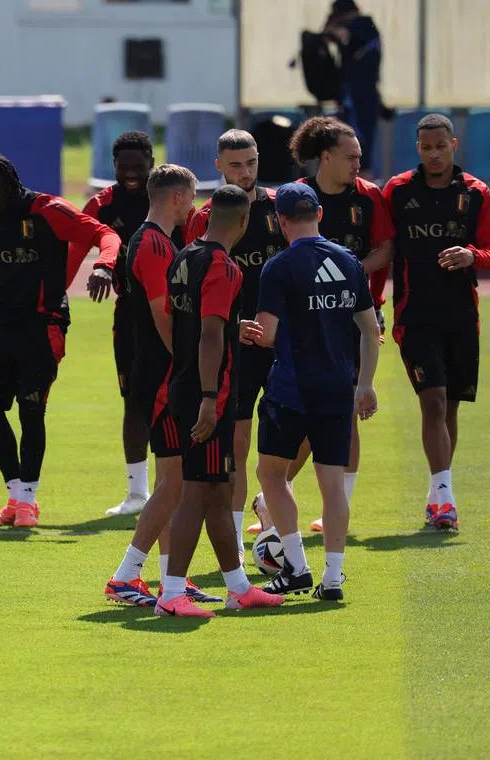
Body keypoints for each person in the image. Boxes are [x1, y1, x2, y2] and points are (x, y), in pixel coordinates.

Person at [250, 116, 392, 534]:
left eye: (360, 158)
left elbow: (386, 248)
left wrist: (345, 272)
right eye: (351, 157)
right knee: (317, 413)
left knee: (345, 411)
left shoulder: (368, 197)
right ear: (325, 158)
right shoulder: (297, 197)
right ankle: (274, 499)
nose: (358, 165)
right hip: (305, 320)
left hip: (355, 312)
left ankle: (332, 508)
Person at [0, 152, 120, 527]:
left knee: (31, 408)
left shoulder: (47, 209)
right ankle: (16, 496)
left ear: (8, 188)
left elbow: (104, 233)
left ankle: (28, 502)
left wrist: (104, 265)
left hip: (43, 324)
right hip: (0, 323)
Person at [244, 183, 381, 601]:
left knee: (270, 474)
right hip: (338, 388)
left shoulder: (279, 267)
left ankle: (298, 568)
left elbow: (267, 335)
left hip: (291, 389)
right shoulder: (348, 261)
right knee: (332, 484)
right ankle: (333, 578)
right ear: (318, 213)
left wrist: (250, 334)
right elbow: (370, 329)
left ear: (279, 220)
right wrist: (366, 384)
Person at [369, 113, 490, 531]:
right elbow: (385, 248)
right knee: (434, 400)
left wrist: (471, 255)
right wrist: (373, 301)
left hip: (462, 316)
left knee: (451, 409)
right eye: (426, 147)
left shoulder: (477, 194)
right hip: (416, 315)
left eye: (440, 146)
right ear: (417, 149)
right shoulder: (398, 191)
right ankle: (447, 502)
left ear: (454, 145)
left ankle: (437, 491)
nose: (433, 154)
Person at [156, 185, 285, 617]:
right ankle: (172, 594)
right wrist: (210, 398)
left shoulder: (185, 256)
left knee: (219, 488)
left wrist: (232, 325)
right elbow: (209, 333)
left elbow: (192, 322)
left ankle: (238, 586)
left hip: (186, 384)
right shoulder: (225, 267)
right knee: (197, 492)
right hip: (208, 394)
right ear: (245, 222)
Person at [102, 165, 218, 607]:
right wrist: (190, 366)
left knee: (176, 481)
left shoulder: (159, 240)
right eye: (190, 199)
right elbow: (162, 314)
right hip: (161, 378)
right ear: (176, 198)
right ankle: (125, 576)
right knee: (173, 484)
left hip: (162, 374)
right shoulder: (152, 243)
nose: (192, 207)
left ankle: (173, 577)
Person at [183, 130, 285, 562]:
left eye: (251, 162)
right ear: (218, 166)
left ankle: (270, 501)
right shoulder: (205, 217)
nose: (245, 171)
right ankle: (241, 537)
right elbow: (194, 289)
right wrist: (231, 327)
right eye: (235, 164)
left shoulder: (281, 206)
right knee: (238, 444)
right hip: (233, 348)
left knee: (298, 435)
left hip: (281, 343)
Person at [75, 132, 168, 517]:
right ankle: (137, 494)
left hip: (174, 312)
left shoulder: (169, 195)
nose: (131, 173)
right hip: (129, 317)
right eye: (123, 166)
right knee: (134, 402)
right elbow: (74, 245)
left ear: (151, 161)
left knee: (178, 397)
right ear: (113, 166)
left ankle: (175, 484)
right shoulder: (102, 204)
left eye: (138, 165)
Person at [324, 0, 383, 173]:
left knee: (356, 147)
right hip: (364, 96)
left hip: (359, 99)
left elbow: (330, 35)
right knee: (359, 148)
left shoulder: (360, 26)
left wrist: (333, 25)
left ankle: (360, 187)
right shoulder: (368, 27)